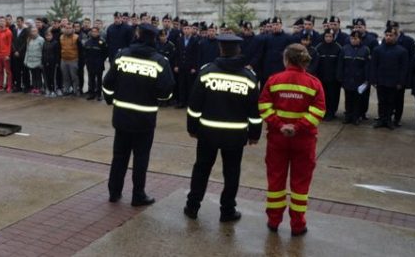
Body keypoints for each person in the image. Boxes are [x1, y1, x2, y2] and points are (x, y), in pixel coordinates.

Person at [183, 33, 261, 222]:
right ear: (238, 50)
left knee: (201, 169)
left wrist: (192, 128)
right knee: (232, 173)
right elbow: (254, 111)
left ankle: (192, 207)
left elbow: (194, 105)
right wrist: (254, 134)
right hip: (235, 135)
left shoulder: (207, 72)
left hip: (207, 133)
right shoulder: (249, 77)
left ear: (220, 49)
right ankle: (227, 211)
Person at [102, 23, 175, 207]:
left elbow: (107, 83)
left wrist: (111, 100)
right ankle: (138, 195)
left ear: (138, 35)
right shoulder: (160, 61)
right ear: (154, 39)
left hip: (122, 116)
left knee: (119, 156)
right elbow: (166, 93)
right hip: (144, 119)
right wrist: (154, 97)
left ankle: (114, 192)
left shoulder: (122, 55)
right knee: (141, 158)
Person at [258, 43, 326, 236]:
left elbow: (264, 107)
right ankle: (298, 225)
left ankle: (273, 221)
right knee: (300, 184)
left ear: (286, 59)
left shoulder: (274, 80)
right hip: (304, 141)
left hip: (277, 139)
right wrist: (297, 128)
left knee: (275, 181)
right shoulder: (314, 83)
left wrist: (280, 125)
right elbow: (318, 111)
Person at [370, 27, 409, 129]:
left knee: (391, 102)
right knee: (381, 102)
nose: (388, 37)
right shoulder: (377, 50)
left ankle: (388, 120)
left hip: (393, 82)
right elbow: (373, 66)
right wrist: (373, 79)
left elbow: (404, 68)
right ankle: (381, 119)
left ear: (396, 36)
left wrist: (400, 82)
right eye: (386, 35)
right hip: (381, 81)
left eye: (391, 35)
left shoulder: (402, 51)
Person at [337, 31, 371, 125]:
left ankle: (356, 117)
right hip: (347, 78)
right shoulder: (344, 49)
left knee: (357, 99)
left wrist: (367, 79)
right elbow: (341, 64)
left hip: (359, 79)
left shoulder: (365, 50)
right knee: (348, 99)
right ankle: (348, 116)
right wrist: (340, 76)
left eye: (355, 38)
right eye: (352, 38)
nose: (353, 40)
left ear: (360, 39)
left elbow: (367, 66)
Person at [314, 29, 342, 121]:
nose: (328, 38)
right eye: (326, 36)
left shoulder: (338, 48)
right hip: (322, 77)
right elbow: (316, 63)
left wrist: (338, 76)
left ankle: (331, 112)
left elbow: (340, 64)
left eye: (330, 36)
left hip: (333, 78)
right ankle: (323, 112)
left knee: (333, 96)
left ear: (333, 37)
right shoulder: (319, 47)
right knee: (323, 96)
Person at [84, 27, 108, 101]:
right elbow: (85, 52)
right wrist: (87, 61)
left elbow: (105, 53)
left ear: (98, 32)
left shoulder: (102, 42)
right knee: (91, 79)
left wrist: (101, 60)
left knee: (99, 80)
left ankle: (99, 94)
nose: (94, 33)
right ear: (91, 33)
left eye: (95, 32)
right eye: (93, 31)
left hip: (99, 64)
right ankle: (91, 93)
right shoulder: (88, 42)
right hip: (90, 64)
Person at [60, 24, 82, 96]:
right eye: (66, 28)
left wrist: (80, 61)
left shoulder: (76, 37)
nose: (68, 29)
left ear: (73, 29)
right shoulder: (61, 37)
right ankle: (66, 89)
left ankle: (76, 90)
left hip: (73, 60)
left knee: (74, 77)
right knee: (65, 76)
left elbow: (81, 50)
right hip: (64, 60)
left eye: (70, 28)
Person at [23, 26, 45, 94]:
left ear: (37, 32)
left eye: (35, 31)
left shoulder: (41, 39)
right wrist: (25, 60)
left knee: (38, 75)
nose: (33, 32)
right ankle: (34, 87)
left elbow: (43, 51)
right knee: (33, 75)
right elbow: (27, 51)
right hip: (30, 61)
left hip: (38, 61)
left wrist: (42, 62)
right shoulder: (29, 39)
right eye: (32, 31)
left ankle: (39, 88)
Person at [42, 30, 60, 97]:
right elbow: (43, 53)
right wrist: (43, 61)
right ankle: (49, 89)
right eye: (47, 36)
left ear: (52, 36)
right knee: (47, 77)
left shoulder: (55, 43)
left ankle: (53, 90)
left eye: (49, 35)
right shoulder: (44, 43)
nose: (48, 37)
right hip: (45, 63)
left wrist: (57, 62)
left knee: (53, 77)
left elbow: (57, 54)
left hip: (53, 63)